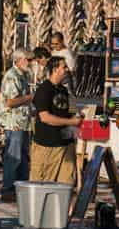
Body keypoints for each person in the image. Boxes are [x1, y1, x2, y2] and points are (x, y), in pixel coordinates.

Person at [30, 56, 82, 185]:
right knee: (43, 184)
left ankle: (64, 206)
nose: (67, 70)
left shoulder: (63, 90)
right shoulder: (44, 90)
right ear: (55, 70)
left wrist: (77, 117)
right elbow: (45, 117)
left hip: (65, 145)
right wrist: (71, 122)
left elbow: (65, 112)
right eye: (64, 67)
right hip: (48, 146)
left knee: (67, 184)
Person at [0, 48, 35, 201]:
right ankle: (8, 189)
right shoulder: (12, 77)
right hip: (14, 123)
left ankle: (21, 187)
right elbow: (11, 101)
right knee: (14, 157)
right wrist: (31, 97)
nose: (31, 63)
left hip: (23, 122)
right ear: (20, 60)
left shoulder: (23, 75)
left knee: (23, 157)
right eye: (28, 60)